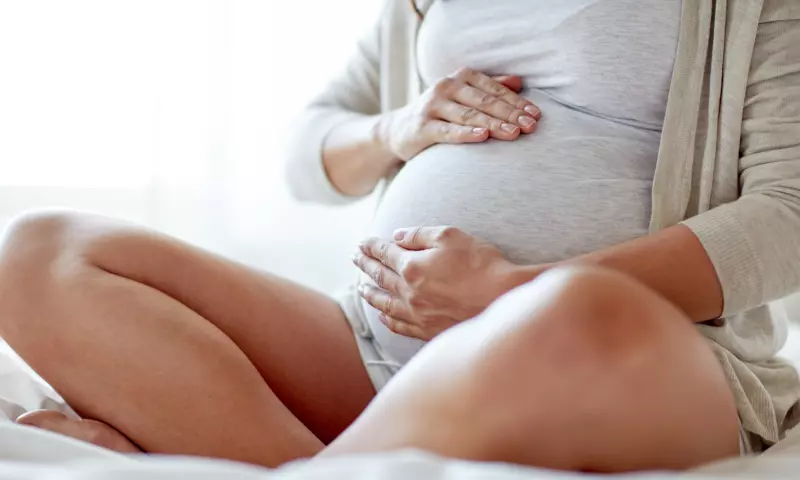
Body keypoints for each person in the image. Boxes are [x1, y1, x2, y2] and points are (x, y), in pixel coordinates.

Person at [1, 0, 799, 473]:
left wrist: (510, 293)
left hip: (632, 357)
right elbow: (306, 154)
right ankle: (335, 468)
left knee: (580, 311)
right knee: (36, 253)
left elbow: (786, 214)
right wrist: (400, 125)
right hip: (378, 346)